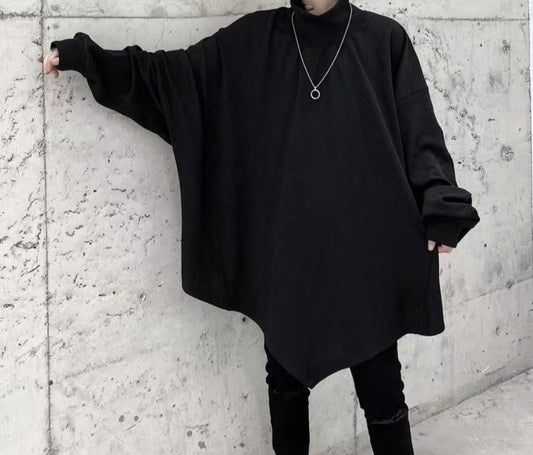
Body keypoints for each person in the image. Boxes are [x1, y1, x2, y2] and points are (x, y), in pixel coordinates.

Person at [43, 0, 480, 453]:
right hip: (286, 256)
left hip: (365, 253)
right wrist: (87, 59)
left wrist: (441, 206)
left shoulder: (384, 40)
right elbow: (177, 79)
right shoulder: (256, 40)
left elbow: (419, 131)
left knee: (381, 385)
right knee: (286, 379)